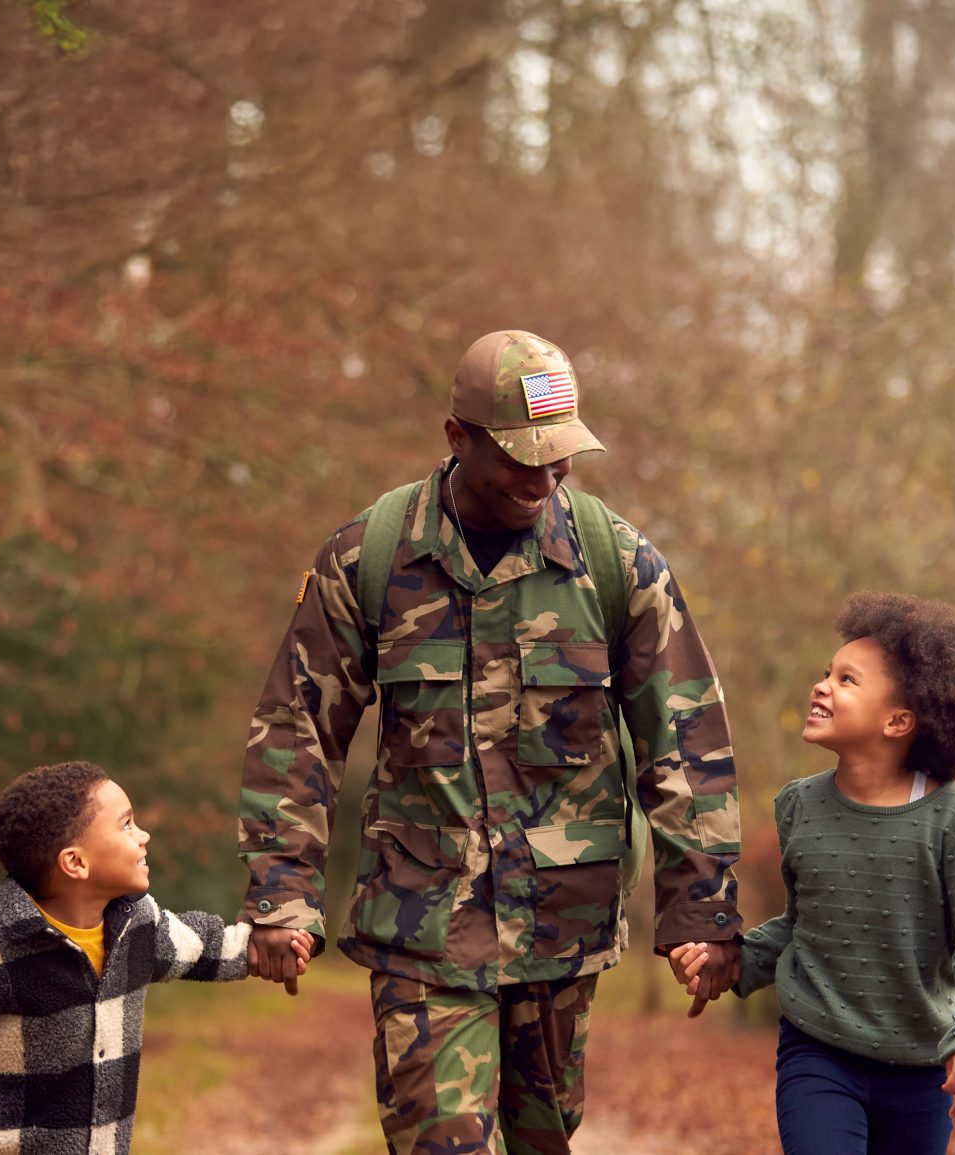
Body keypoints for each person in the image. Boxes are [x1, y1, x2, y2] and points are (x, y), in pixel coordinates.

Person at [237, 330, 744, 1155]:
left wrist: (702, 909)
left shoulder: (616, 564)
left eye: (561, 459)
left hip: (562, 928)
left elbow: (683, 738)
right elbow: (296, 730)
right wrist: (279, 892)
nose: (544, 480)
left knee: (546, 1142)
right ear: (457, 438)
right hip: (422, 923)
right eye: (520, 459)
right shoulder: (369, 557)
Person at [676, 592, 955, 1154]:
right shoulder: (799, 807)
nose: (822, 686)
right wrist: (732, 956)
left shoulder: (954, 819)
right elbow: (806, 924)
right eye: (825, 673)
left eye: (847, 680)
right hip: (819, 1052)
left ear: (899, 720)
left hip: (920, 1066)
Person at [0, 760, 310, 1155]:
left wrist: (275, 940)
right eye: (126, 825)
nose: (143, 835)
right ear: (76, 862)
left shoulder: (137, 925)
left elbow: (206, 945)